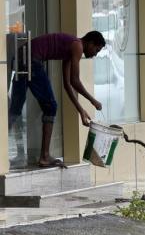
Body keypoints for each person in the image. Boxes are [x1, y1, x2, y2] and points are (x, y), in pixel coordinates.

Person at [8, 31, 106, 168]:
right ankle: (45, 156)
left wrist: (80, 110)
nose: (95, 54)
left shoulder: (71, 47)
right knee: (50, 106)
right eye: (96, 50)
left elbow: (67, 84)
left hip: (21, 57)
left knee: (15, 110)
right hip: (30, 59)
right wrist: (93, 101)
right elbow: (75, 81)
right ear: (90, 43)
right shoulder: (77, 46)